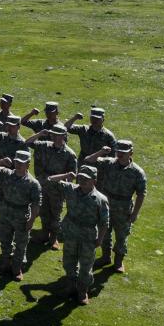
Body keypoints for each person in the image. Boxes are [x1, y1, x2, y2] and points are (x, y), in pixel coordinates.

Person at [48, 165, 109, 304]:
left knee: (86, 266)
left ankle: (82, 291)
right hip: (70, 233)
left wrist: (100, 240)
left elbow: (104, 223)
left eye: (86, 179)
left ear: (94, 181)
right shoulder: (71, 189)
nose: (82, 181)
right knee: (69, 261)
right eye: (80, 177)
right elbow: (50, 180)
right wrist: (66, 175)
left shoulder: (100, 199)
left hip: (88, 237)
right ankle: (71, 285)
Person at [83, 140, 147, 272]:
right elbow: (88, 160)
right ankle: (105, 257)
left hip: (123, 209)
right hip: (106, 205)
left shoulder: (137, 172)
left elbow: (141, 194)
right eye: (118, 152)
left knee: (121, 236)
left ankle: (118, 262)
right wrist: (101, 152)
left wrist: (135, 213)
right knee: (104, 233)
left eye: (123, 153)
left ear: (131, 153)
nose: (120, 155)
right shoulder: (109, 163)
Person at [0, 151, 41, 281]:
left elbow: (36, 204)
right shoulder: (6, 173)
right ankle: (5, 263)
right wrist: (1, 161)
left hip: (21, 216)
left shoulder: (33, 184)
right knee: (5, 241)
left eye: (22, 163)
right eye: (17, 162)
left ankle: (17, 268)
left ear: (28, 164)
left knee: (21, 244)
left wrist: (31, 221)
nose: (18, 165)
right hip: (5, 213)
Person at [26, 124, 77, 249]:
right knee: (44, 211)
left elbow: (72, 175)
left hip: (57, 189)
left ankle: (53, 238)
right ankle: (44, 234)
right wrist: (39, 134)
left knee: (55, 214)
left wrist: (63, 183)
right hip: (43, 185)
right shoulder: (45, 145)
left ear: (64, 136)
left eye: (57, 135)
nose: (54, 137)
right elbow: (27, 143)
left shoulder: (69, 154)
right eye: (53, 134)